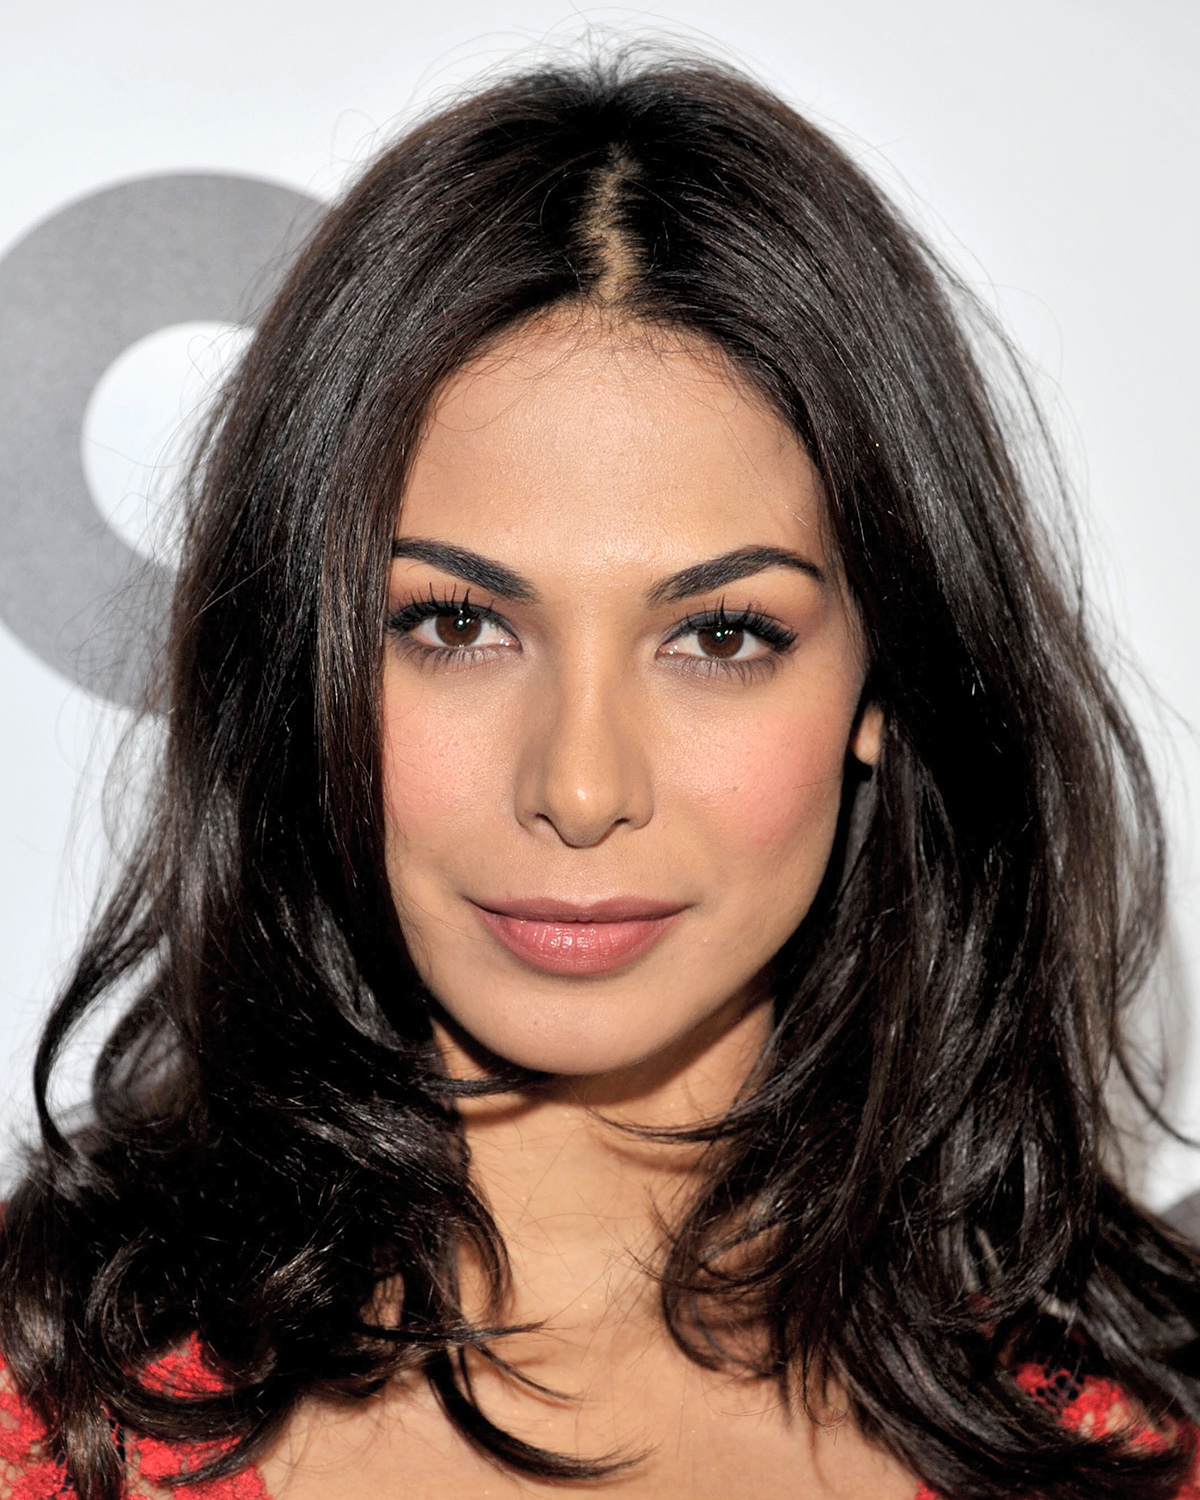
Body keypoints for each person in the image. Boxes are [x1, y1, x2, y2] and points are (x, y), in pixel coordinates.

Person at [1, 46, 1198, 1500]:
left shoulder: (1137, 1452)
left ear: (885, 680)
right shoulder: (46, 1424)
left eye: (721, 636)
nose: (577, 789)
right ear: (311, 662)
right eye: (456, 626)